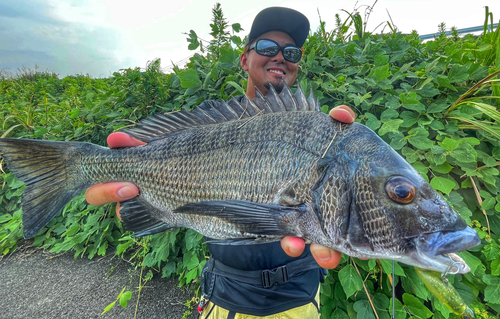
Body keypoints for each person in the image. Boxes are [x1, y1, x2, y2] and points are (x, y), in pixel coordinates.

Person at [85, 7, 356, 319]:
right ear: (244, 59)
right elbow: (148, 168)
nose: (280, 57)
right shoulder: (209, 122)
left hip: (299, 298)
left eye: (291, 52)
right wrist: (129, 191)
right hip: (225, 297)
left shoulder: (326, 131)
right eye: (267, 47)